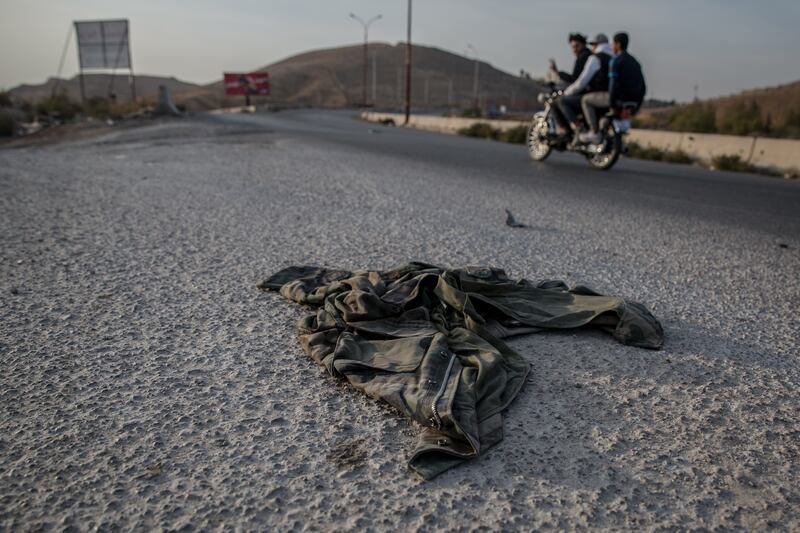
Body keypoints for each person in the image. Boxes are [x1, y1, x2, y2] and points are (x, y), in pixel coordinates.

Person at [579, 32, 646, 143]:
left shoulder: (615, 61)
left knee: (585, 100)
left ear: (618, 44)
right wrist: (636, 105)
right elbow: (643, 86)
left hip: (619, 99)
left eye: (613, 44)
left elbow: (613, 84)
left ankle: (594, 132)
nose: (611, 47)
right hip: (633, 101)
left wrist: (612, 102)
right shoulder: (635, 62)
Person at [556, 33, 613, 136]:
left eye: (594, 45)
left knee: (562, 101)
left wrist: (567, 92)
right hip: (613, 96)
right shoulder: (613, 57)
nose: (593, 48)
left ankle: (582, 129)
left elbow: (581, 81)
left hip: (596, 95)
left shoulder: (594, 58)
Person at [547, 33, 591, 133]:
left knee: (558, 102)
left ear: (583, 44)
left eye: (576, 46)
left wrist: (558, 72)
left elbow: (575, 79)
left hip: (584, 92)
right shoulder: (587, 55)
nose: (574, 49)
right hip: (586, 91)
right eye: (572, 47)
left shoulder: (583, 57)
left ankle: (573, 129)